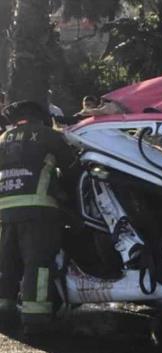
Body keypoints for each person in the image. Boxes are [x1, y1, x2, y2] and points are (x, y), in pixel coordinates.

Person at [0, 100, 75, 334]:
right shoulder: (47, 135)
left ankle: (4, 313)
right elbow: (71, 164)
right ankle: (36, 320)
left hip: (5, 210)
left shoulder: (3, 139)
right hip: (38, 208)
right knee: (37, 264)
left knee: (7, 265)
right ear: (40, 117)